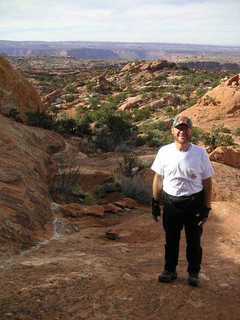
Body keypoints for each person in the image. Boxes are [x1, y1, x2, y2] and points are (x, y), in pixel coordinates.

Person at [151, 115, 214, 287]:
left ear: (190, 131)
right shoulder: (164, 151)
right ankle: (169, 270)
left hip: (193, 202)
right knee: (171, 239)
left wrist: (206, 207)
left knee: (194, 241)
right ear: (172, 130)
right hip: (171, 203)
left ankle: (193, 273)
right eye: (178, 128)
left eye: (185, 128)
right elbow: (158, 178)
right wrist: (155, 202)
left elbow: (207, 182)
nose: (182, 132)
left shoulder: (200, 153)